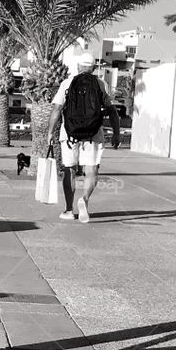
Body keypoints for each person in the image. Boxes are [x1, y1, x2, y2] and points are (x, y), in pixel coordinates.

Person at [46, 53, 120, 223]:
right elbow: (112, 111)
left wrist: (50, 132)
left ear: (78, 66)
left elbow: (57, 109)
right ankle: (84, 199)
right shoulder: (101, 84)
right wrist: (116, 133)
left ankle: (68, 210)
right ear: (93, 68)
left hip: (69, 134)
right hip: (93, 134)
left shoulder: (67, 83)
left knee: (69, 169)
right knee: (91, 170)